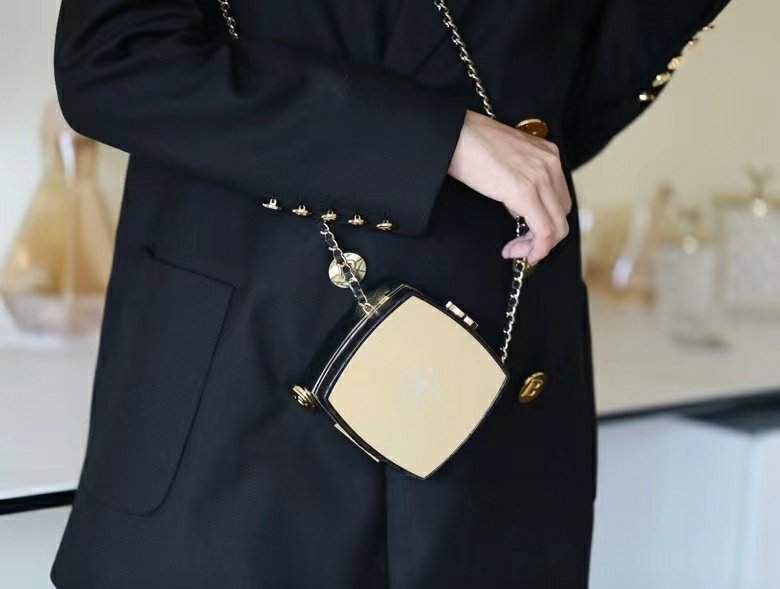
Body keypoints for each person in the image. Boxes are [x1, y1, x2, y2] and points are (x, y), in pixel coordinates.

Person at [50, 0, 729, 587]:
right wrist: (441, 140)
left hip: (494, 398)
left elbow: (556, 110)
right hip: (242, 391)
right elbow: (117, 58)